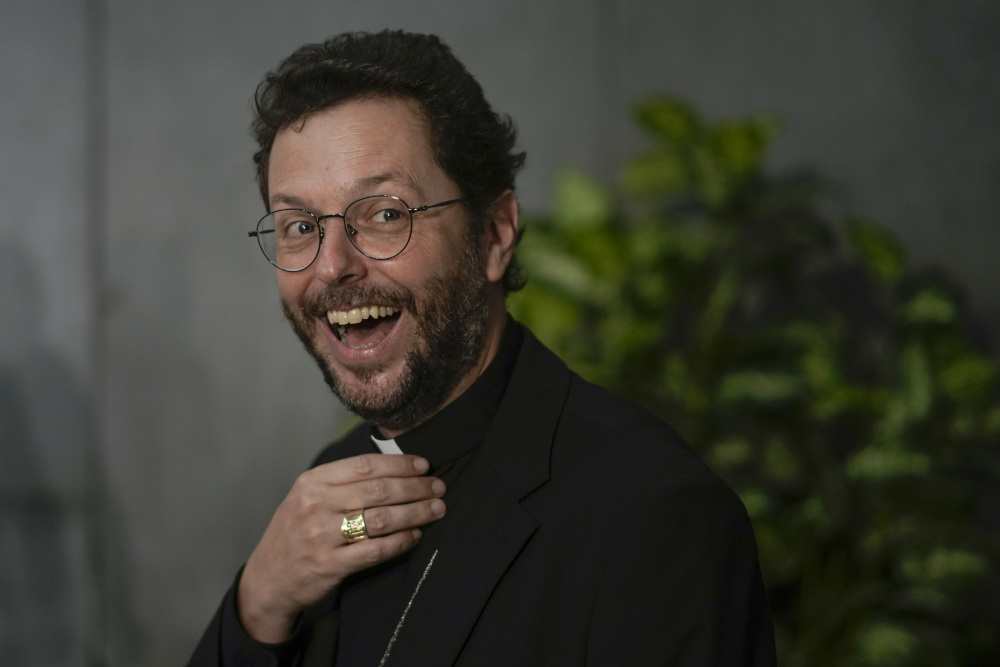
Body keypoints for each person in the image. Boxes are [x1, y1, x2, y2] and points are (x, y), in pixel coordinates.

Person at [188, 30, 774, 666]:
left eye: (384, 213)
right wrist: (261, 598)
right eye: (301, 226)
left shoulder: (657, 517)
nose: (332, 267)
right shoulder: (337, 481)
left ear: (494, 234)